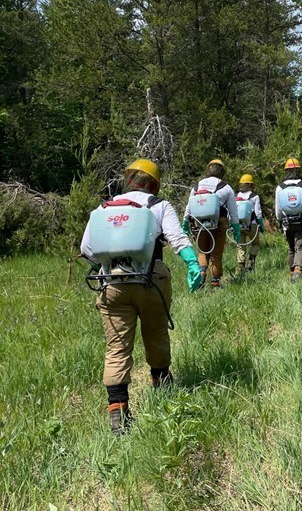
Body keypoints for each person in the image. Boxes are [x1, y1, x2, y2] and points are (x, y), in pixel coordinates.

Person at [80, 158, 203, 435]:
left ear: (129, 179)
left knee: (116, 348)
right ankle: (162, 389)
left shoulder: (102, 209)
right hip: (151, 279)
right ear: (154, 183)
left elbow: (86, 248)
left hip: (111, 282)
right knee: (156, 333)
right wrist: (192, 263)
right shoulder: (158, 206)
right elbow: (177, 237)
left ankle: (118, 415)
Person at [182, 159, 241, 288]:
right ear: (222, 171)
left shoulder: (197, 186)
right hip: (218, 224)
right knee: (216, 255)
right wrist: (236, 229)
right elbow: (233, 212)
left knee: (202, 252)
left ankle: (202, 275)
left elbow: (189, 207)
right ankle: (215, 282)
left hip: (198, 225)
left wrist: (185, 223)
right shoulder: (226, 187)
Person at [235, 174, 266, 275]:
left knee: (241, 245)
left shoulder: (237, 196)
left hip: (239, 224)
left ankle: (240, 267)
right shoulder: (254, 196)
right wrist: (261, 225)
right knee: (255, 243)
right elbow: (258, 213)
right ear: (250, 185)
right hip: (251, 224)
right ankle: (251, 264)